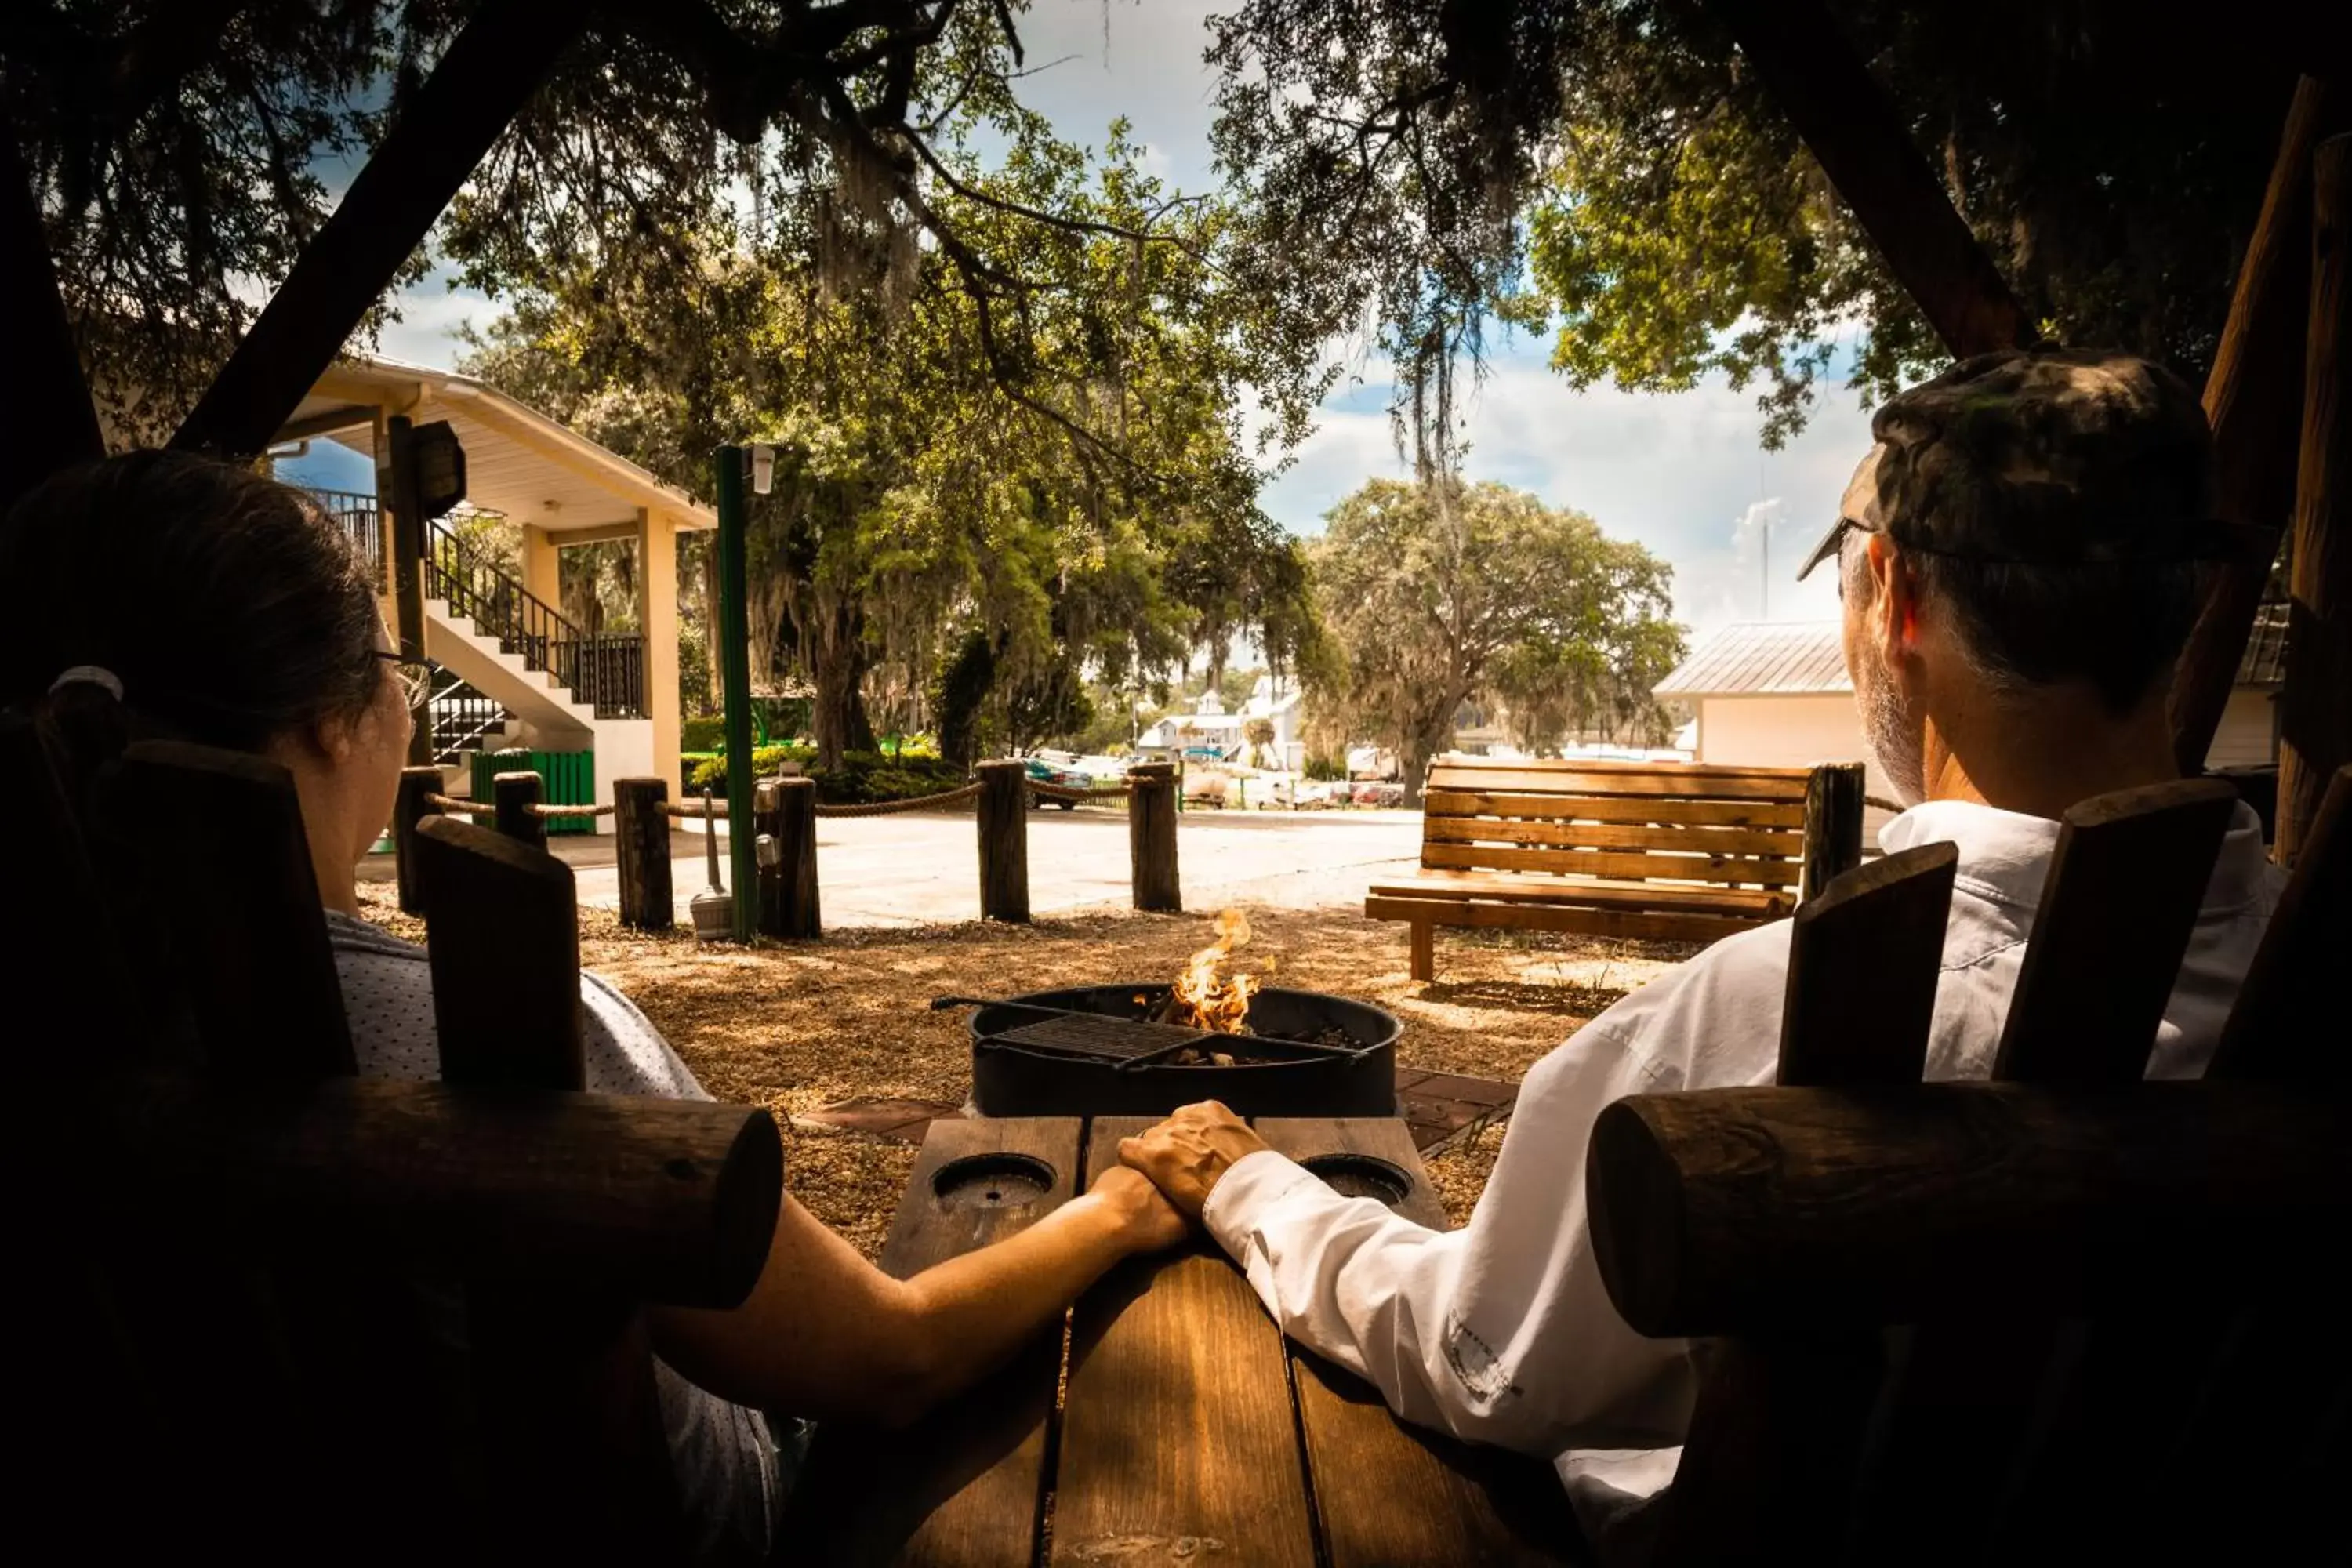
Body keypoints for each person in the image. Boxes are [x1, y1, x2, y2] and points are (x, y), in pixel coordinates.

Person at [1116, 348, 2284, 1558]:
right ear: (2191, 599)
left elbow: (1491, 1364)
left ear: (1899, 596)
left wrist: (1251, 1186)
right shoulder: (2314, 980)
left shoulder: (1776, 1012)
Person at [0, 450, 1186, 1565]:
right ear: (329, 717)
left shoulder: (62, 1024)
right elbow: (893, 1355)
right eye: (393, 668)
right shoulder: (483, 1033)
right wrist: (1127, 1204)